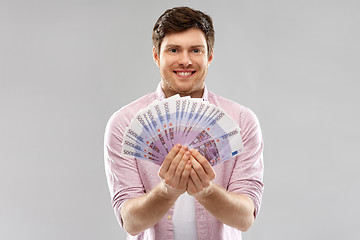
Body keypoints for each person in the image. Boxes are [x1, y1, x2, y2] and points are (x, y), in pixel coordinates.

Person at [104, 6, 264, 240]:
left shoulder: (241, 121)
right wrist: (167, 191)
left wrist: (206, 191)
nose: (185, 60)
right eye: (174, 50)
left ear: (209, 56)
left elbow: (245, 218)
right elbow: (130, 221)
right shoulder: (124, 124)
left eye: (196, 50)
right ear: (157, 56)